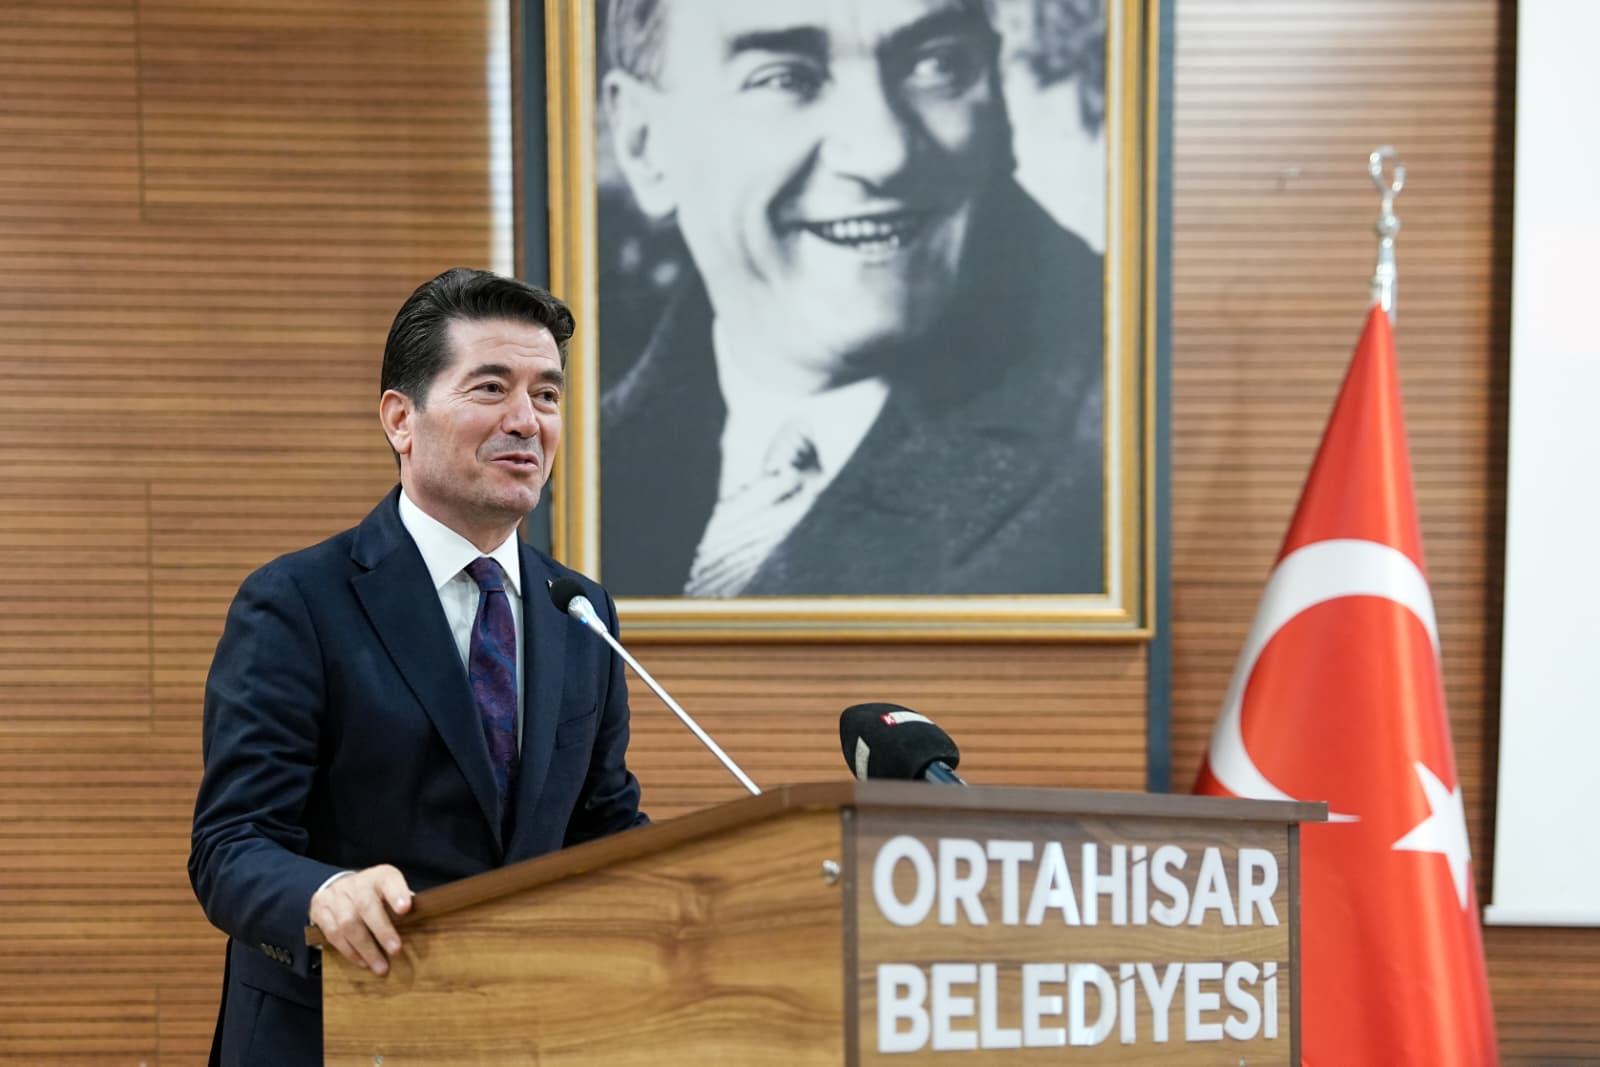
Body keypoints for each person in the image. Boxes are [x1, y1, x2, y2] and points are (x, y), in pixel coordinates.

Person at [188, 268, 648, 1066]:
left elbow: (602, 831)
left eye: (546, 395)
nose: (526, 420)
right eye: (491, 388)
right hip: (335, 1029)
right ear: (402, 419)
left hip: (526, 1033)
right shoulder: (297, 601)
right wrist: (324, 892)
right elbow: (231, 844)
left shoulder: (579, 612)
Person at [598, 0, 1104, 598]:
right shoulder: (570, 470)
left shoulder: (1127, 439)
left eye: (937, 64)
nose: (884, 153)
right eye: (785, 78)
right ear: (643, 143)